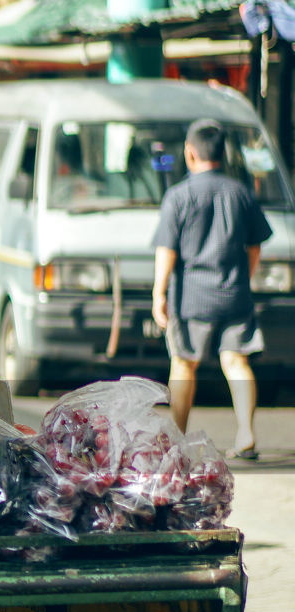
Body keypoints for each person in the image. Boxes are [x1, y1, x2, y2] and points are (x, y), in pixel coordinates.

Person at [152, 118, 271, 460]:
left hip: (192, 299)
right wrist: (243, 279)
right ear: (223, 154)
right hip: (234, 295)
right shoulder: (241, 193)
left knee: (184, 363)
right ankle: (247, 435)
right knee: (236, 362)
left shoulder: (179, 196)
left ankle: (177, 438)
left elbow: (167, 250)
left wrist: (158, 293)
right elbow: (255, 247)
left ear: (190, 153)